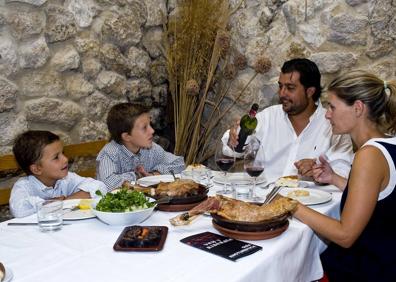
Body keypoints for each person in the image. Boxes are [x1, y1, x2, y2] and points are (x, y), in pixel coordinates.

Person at [293, 70, 396, 281]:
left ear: (358, 108)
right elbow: (380, 197)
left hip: (367, 270)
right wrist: (334, 179)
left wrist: (290, 205)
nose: (327, 114)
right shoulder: (388, 144)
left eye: (332, 107)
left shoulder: (369, 155)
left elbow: (345, 235)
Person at [223, 58, 353, 183]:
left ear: (310, 92)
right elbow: (232, 149)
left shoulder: (334, 126)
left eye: (290, 88)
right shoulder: (268, 117)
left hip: (308, 201)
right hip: (262, 197)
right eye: (280, 86)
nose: (282, 93)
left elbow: (343, 172)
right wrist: (233, 139)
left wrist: (317, 168)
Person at [9, 130, 107, 218]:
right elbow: (19, 210)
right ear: (37, 169)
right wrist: (55, 204)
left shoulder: (67, 179)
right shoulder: (23, 187)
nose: (65, 159)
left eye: (63, 153)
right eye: (56, 157)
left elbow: (100, 187)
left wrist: (65, 201)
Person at [96, 103, 185, 190]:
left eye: (150, 124)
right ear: (127, 136)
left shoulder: (150, 148)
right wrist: (138, 176)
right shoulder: (109, 154)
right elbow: (107, 184)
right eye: (144, 128)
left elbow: (179, 164)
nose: (152, 130)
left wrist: (154, 174)